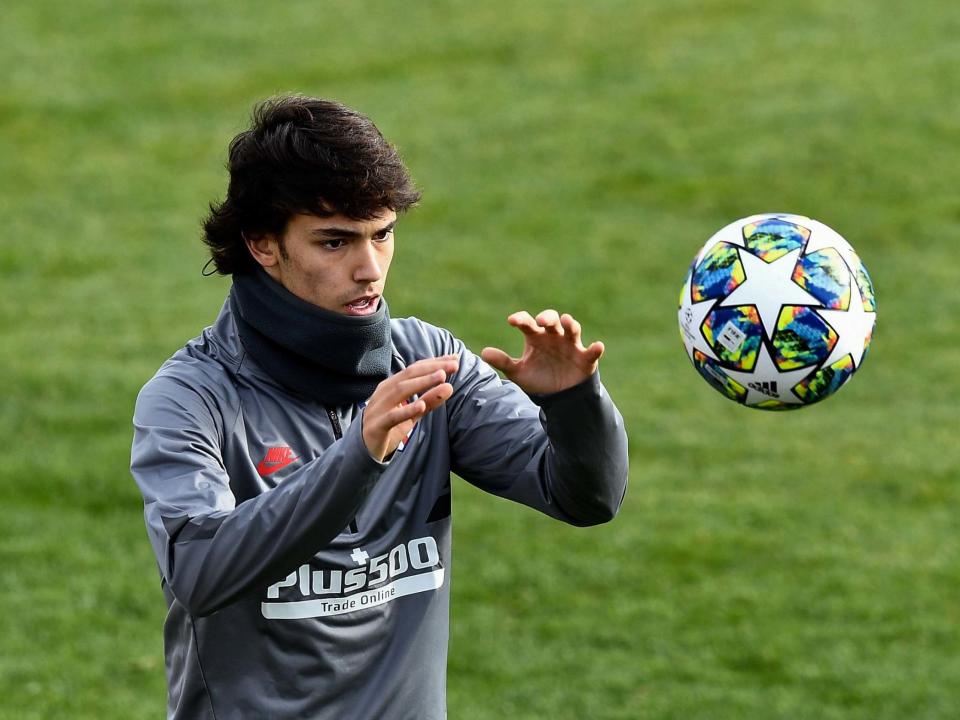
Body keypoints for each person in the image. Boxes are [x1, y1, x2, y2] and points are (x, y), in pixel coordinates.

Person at [130, 95, 629, 720]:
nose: (370, 269)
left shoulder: (430, 364)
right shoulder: (191, 398)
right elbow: (199, 572)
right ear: (262, 244)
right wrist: (356, 457)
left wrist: (573, 402)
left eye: (382, 235)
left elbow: (586, 497)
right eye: (334, 243)